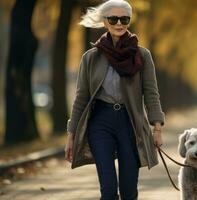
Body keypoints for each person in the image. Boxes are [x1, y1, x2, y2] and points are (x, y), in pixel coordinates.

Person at [64, 0, 165, 199]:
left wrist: (157, 128)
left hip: (130, 124)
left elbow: (151, 93)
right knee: (108, 190)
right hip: (100, 123)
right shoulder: (90, 57)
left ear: (129, 21)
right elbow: (81, 98)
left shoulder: (142, 55)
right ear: (105, 22)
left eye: (124, 19)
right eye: (113, 19)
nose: (119, 23)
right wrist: (71, 134)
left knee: (129, 191)